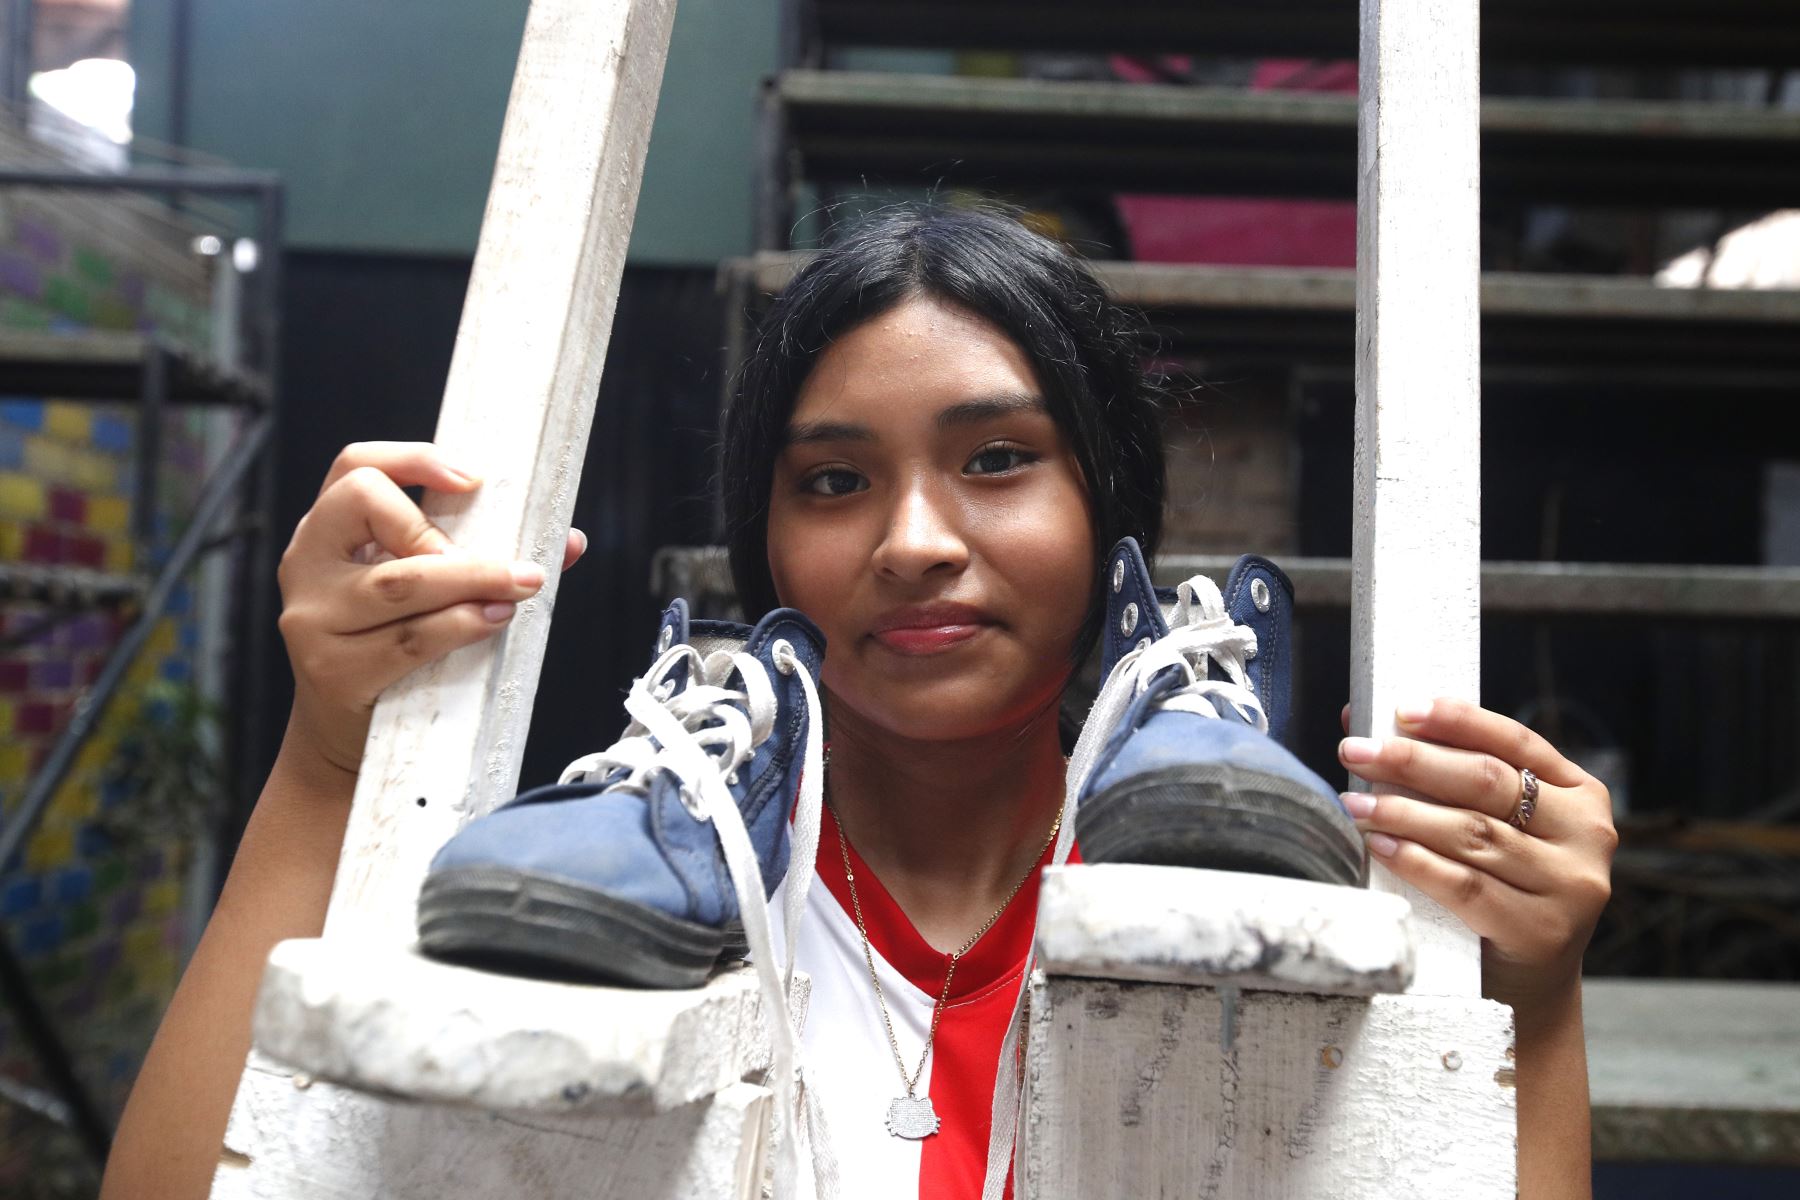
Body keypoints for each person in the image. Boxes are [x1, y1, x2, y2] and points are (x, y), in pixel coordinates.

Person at [100, 207, 1615, 1200]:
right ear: (769, 545)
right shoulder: (583, 893)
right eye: (834, 482)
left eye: (999, 461)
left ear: (1116, 523)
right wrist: (326, 752)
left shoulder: (1262, 897)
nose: (912, 541)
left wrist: (1535, 1003)